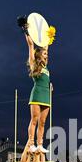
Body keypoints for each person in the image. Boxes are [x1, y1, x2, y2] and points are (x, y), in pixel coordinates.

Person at [24, 25, 51, 154]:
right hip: (37, 93)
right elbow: (30, 45)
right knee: (34, 119)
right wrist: (26, 30)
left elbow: (46, 46)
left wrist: (49, 37)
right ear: (39, 55)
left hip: (46, 95)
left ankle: (40, 144)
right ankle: (31, 143)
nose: (46, 55)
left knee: (43, 121)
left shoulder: (46, 68)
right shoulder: (34, 63)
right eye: (45, 53)